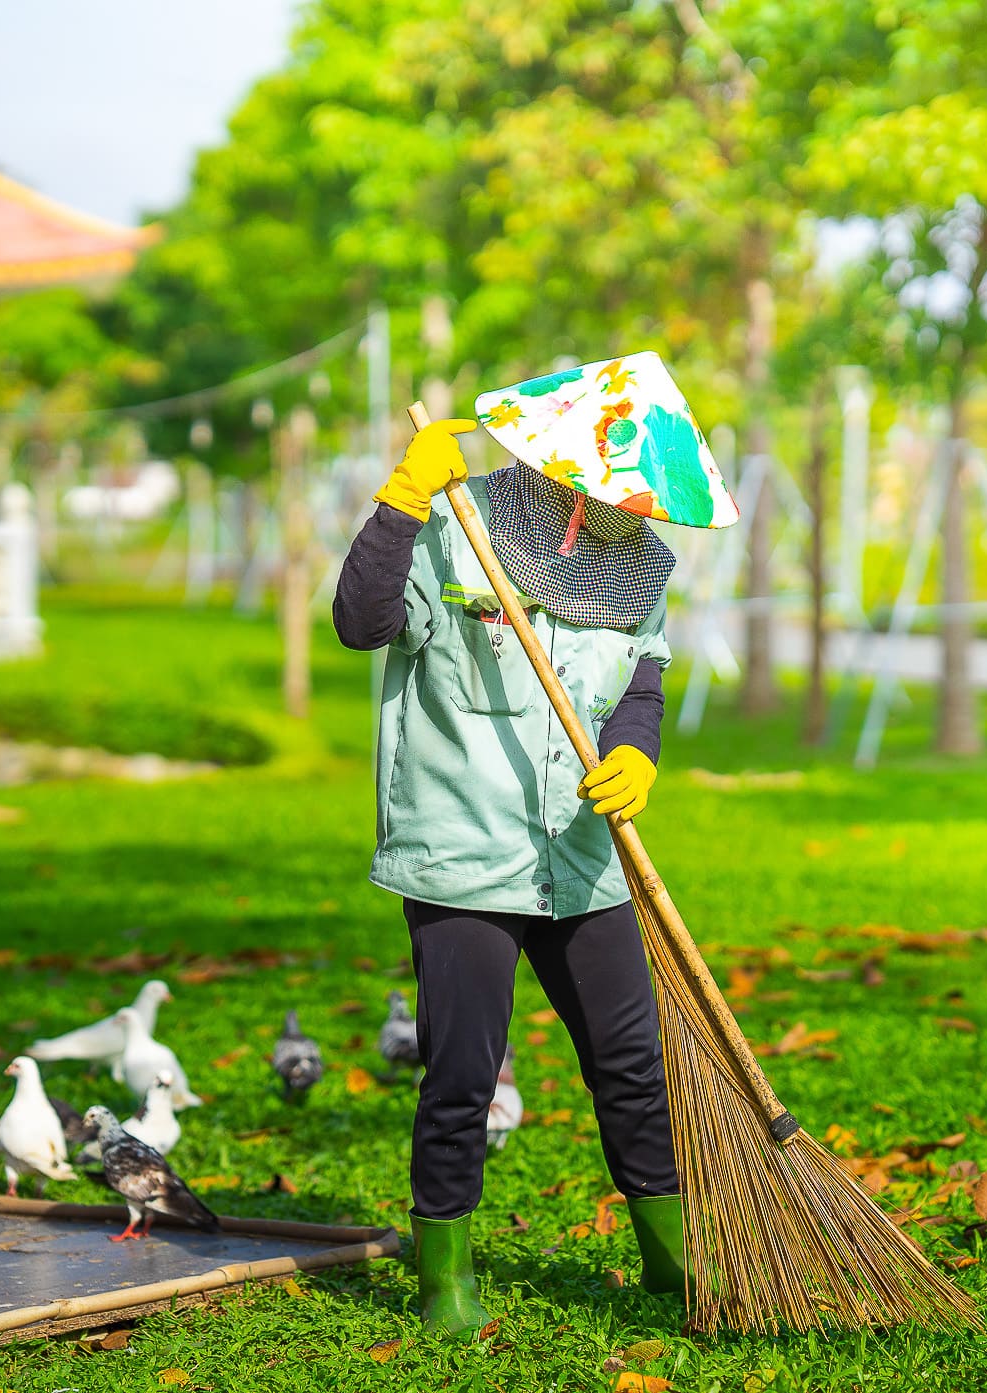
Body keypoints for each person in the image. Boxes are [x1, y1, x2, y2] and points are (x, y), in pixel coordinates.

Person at [331, 353, 739, 1337]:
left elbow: (638, 686)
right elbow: (360, 622)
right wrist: (397, 505)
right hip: (461, 856)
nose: (637, 516)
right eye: (624, 495)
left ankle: (668, 1256)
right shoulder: (457, 527)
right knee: (463, 1074)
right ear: (567, 469)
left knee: (630, 1064)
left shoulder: (639, 568)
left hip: (581, 859)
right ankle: (443, 1279)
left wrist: (636, 758)